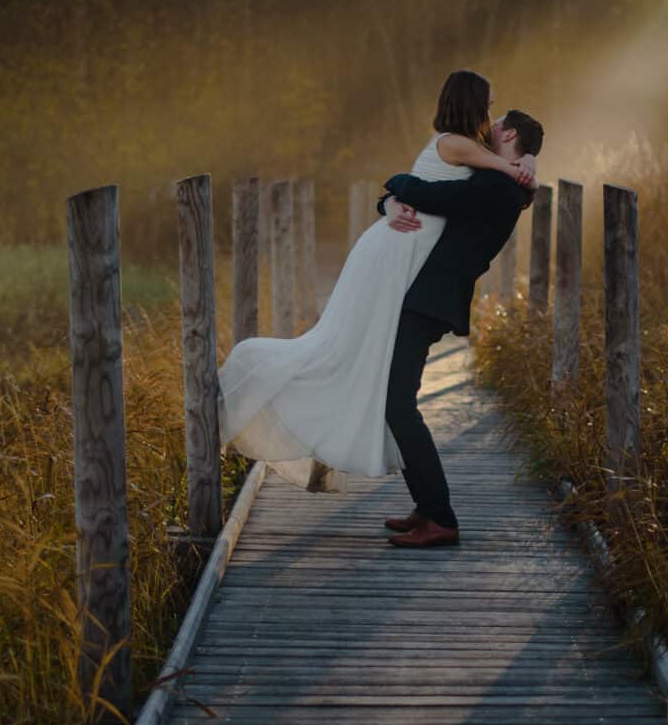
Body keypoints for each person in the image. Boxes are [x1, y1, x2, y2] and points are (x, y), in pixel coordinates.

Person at [217, 71, 535, 496]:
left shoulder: (479, 163)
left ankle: (388, 475)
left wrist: (527, 159)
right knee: (349, 350)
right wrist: (522, 163)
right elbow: (481, 174)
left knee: (367, 360)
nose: (491, 117)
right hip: (393, 256)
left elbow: (451, 186)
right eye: (489, 107)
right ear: (473, 104)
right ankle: (420, 501)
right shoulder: (461, 145)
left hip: (405, 263)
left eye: (498, 116)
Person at [375, 106, 544, 548]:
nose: (489, 126)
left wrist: (395, 184)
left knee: (397, 404)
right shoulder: (502, 179)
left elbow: (430, 196)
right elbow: (427, 200)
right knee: (398, 401)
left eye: (498, 122)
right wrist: (391, 200)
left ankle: (441, 518)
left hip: (430, 300)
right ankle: (427, 506)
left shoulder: (497, 186)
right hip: (427, 296)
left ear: (509, 136)